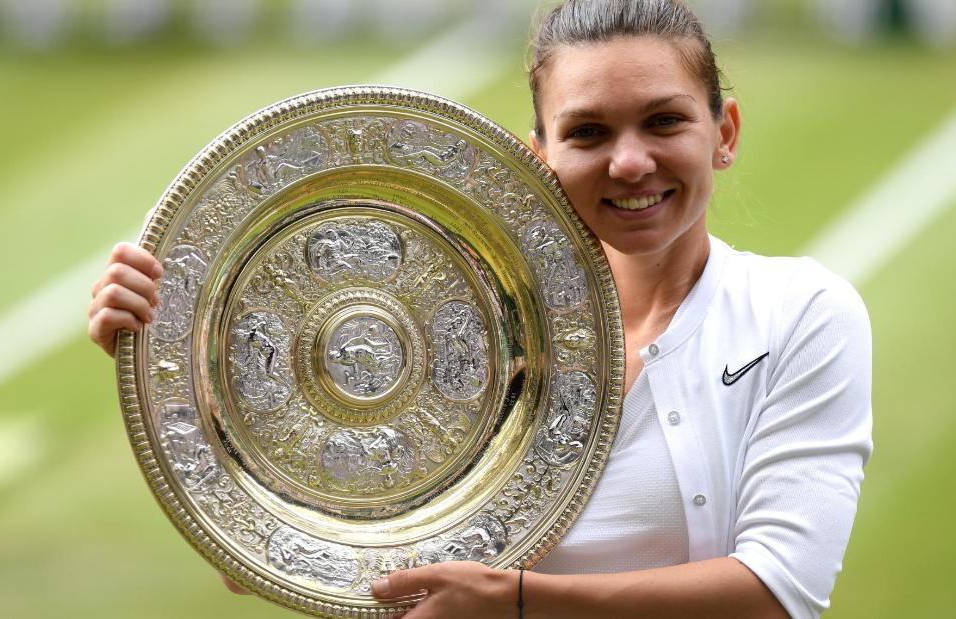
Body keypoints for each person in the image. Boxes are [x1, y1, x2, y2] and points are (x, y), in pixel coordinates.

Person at [87, 1, 872, 617]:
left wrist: (519, 604)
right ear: (538, 155)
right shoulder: (455, 339)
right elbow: (302, 560)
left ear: (723, 133)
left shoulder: (800, 313)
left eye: (664, 120)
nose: (631, 161)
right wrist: (169, 375)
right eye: (589, 132)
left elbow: (775, 594)